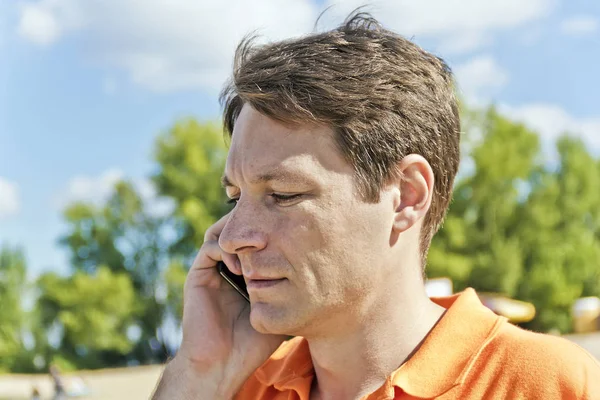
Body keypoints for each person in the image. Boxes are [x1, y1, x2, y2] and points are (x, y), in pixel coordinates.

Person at [152, 11, 600, 400]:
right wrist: (199, 373)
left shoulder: (553, 385)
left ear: (407, 194)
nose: (231, 237)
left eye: (283, 194)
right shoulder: (229, 389)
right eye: (235, 197)